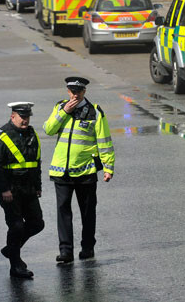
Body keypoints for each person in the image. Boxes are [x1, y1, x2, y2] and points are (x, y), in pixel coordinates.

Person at [44, 77, 115, 263]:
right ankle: (66, 251)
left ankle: (88, 247)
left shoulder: (95, 112)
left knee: (87, 211)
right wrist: (64, 113)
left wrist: (108, 167)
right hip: (62, 171)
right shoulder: (60, 107)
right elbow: (48, 129)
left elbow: (104, 141)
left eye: (78, 91)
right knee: (63, 211)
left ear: (84, 92)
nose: (75, 95)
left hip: (86, 171)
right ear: (67, 91)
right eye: (71, 91)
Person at [0, 102, 44, 278]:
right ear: (13, 116)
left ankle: (11, 249)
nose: (25, 120)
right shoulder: (1, 137)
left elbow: (36, 162)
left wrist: (38, 186)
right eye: (22, 117)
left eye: (27, 117)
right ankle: (16, 266)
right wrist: (4, 189)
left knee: (37, 223)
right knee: (17, 226)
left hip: (28, 188)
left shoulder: (31, 134)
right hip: (11, 190)